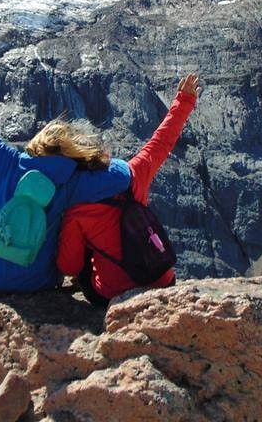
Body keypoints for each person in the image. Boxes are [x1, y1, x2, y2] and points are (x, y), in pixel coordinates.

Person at [0, 49, 132, 293]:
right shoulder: (73, 181)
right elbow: (124, 176)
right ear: (68, 149)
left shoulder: (6, 164)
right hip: (38, 282)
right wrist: (88, 161)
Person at [57, 73, 201, 306]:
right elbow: (161, 142)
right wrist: (184, 100)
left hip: (114, 295)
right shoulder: (133, 174)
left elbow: (69, 266)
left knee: (84, 252)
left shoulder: (76, 210)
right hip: (161, 280)